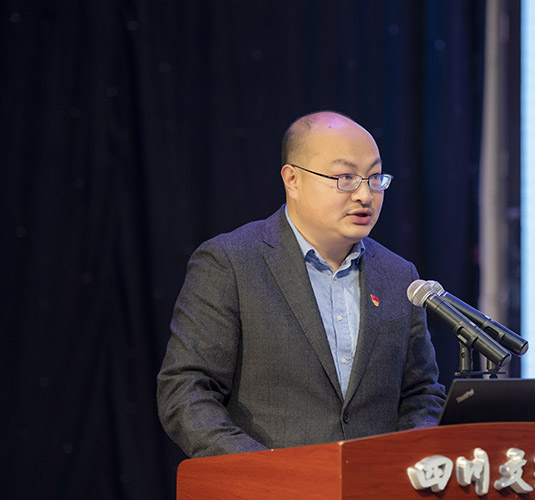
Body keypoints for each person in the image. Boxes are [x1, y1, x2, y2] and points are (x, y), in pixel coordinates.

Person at [156, 111, 446, 457]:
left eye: (374, 178)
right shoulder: (231, 263)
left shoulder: (399, 275)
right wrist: (264, 471)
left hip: (375, 480)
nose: (365, 195)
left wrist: (405, 458)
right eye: (345, 178)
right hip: (268, 481)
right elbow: (186, 390)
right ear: (292, 180)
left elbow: (421, 393)